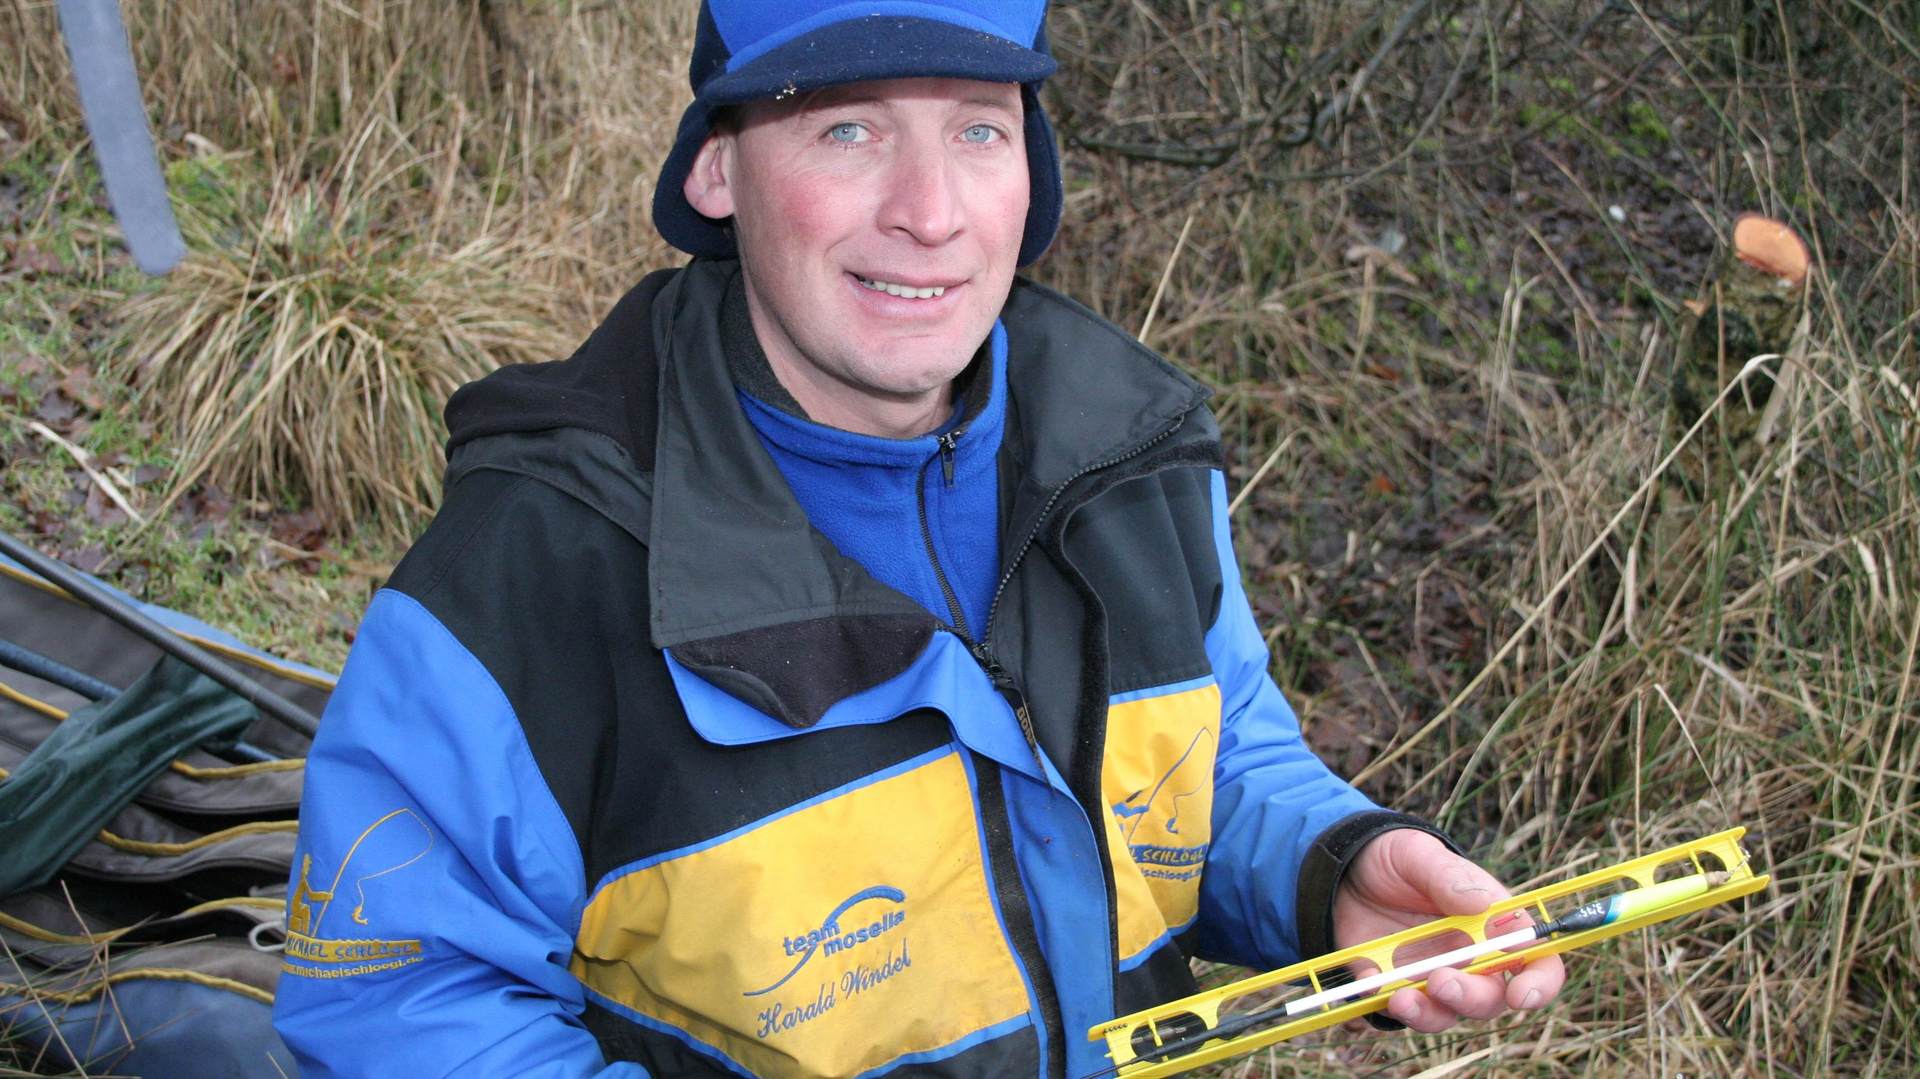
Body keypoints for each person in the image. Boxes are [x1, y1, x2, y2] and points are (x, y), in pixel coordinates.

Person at [272, 2, 1564, 1075]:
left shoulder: (1134, 464)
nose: (932, 211)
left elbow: (1209, 770)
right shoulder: (536, 564)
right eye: (847, 128)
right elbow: (400, 1008)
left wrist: (1329, 872)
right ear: (715, 169)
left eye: (979, 131)